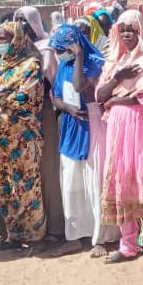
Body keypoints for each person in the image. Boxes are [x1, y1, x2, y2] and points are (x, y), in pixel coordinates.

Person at [96, 10, 143, 267]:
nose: (127, 34)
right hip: (117, 125)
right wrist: (118, 78)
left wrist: (115, 98)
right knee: (121, 177)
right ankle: (127, 244)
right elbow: (99, 96)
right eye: (123, 29)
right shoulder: (114, 62)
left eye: (133, 29)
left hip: (141, 123)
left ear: (142, 31)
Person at [0, 21, 48, 248]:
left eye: (4, 39)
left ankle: (33, 235)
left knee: (26, 187)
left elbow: (27, 99)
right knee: (4, 185)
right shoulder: (0, 66)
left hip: (22, 137)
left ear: (17, 39)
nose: (0, 43)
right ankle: (13, 234)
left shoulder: (31, 65)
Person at [45, 24, 108, 257]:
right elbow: (57, 97)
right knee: (71, 183)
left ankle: (99, 237)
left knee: (94, 181)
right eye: (58, 49)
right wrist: (68, 109)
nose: (60, 52)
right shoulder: (62, 65)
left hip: (92, 124)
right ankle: (73, 236)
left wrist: (80, 55)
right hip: (72, 124)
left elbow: (81, 85)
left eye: (64, 48)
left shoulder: (93, 60)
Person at [15, 5, 65, 243]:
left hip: (45, 112)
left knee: (48, 170)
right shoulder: (16, 52)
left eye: (25, 21)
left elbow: (54, 84)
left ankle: (55, 226)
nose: (22, 26)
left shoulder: (47, 50)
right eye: (18, 21)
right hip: (22, 118)